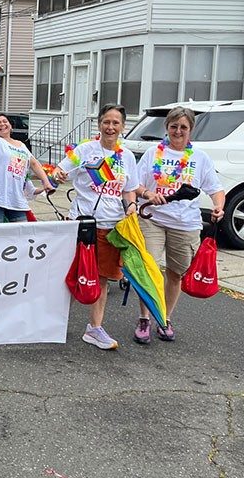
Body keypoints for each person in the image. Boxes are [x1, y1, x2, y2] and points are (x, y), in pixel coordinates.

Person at [132, 106, 225, 344]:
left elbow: (216, 189)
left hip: (185, 224)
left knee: (175, 275)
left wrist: (218, 206)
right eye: (174, 126)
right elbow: (135, 186)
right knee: (149, 270)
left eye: (183, 127)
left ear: (191, 130)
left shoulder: (200, 158)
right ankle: (144, 318)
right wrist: (148, 194)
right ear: (167, 128)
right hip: (153, 219)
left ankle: (164, 318)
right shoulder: (154, 153)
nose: (178, 131)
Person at [53, 103, 139, 351]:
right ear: (99, 124)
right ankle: (53, 323)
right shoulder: (85, 150)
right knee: (69, 274)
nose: (110, 127)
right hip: (82, 223)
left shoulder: (127, 157)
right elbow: (62, 170)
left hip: (111, 226)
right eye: (106, 122)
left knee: (101, 279)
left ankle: (94, 328)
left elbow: (129, 189)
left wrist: (131, 206)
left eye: (115, 123)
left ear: (122, 127)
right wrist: (59, 174)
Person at [0, 98, 54, 223]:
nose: (2, 124)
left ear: (11, 126)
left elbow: (34, 164)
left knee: (20, 231)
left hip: (16, 197)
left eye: (5, 121)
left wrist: (46, 182)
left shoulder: (21, 145)